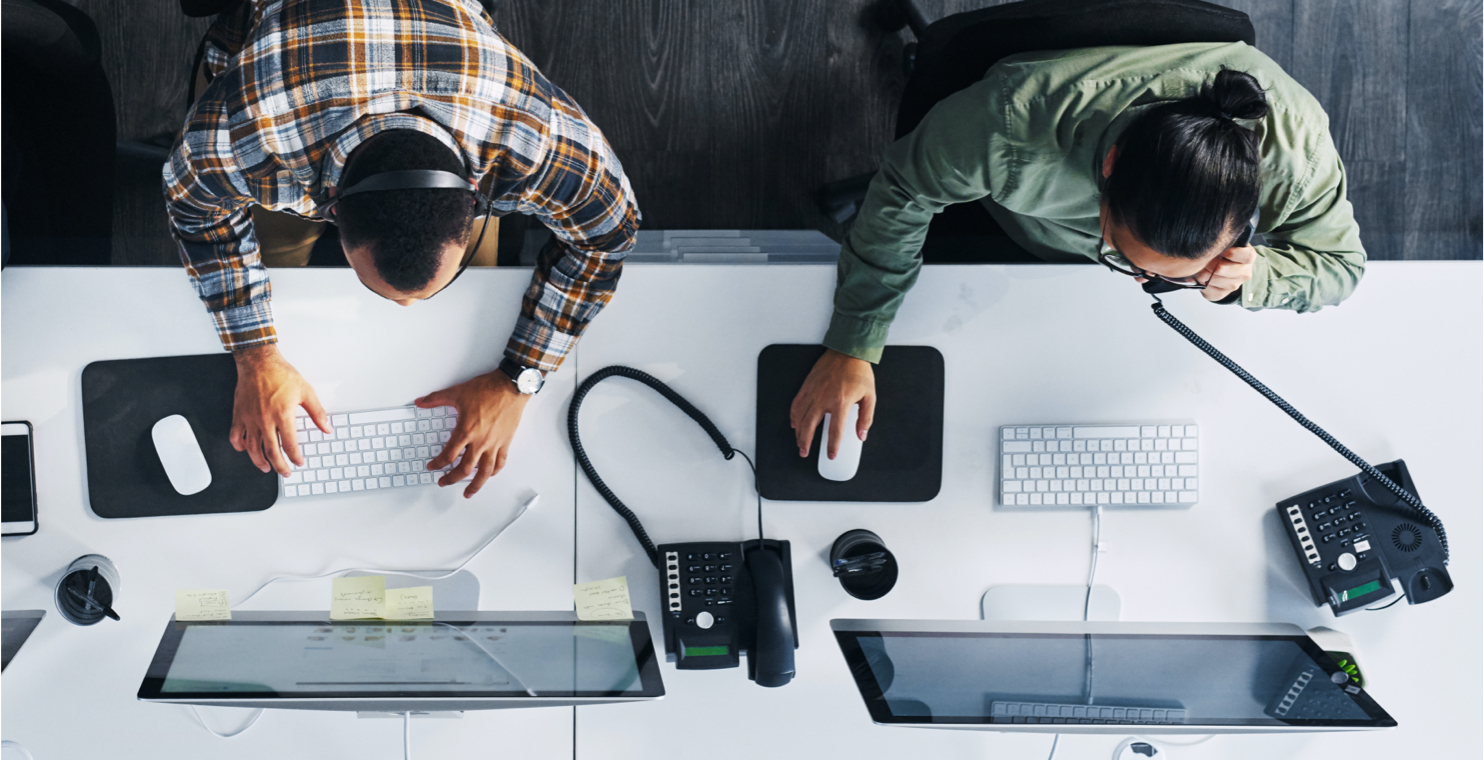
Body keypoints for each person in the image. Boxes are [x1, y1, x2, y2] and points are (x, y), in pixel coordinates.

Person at [791, 43, 1366, 458]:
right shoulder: (1009, 126)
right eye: (1125, 256)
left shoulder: (1296, 150)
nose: (1146, 283)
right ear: (1109, 171)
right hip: (1021, 224)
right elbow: (904, 188)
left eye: (1178, 276)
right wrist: (854, 343)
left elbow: (1342, 269)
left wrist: (1256, 276)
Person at [166, 0, 639, 497]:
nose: (407, 309)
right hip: (286, 86)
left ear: (478, 194)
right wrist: (254, 354)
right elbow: (194, 208)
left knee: (482, 293)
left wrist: (518, 378)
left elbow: (611, 233)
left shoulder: (532, 137)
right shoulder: (241, 134)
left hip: (447, 75)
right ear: (327, 205)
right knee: (275, 268)